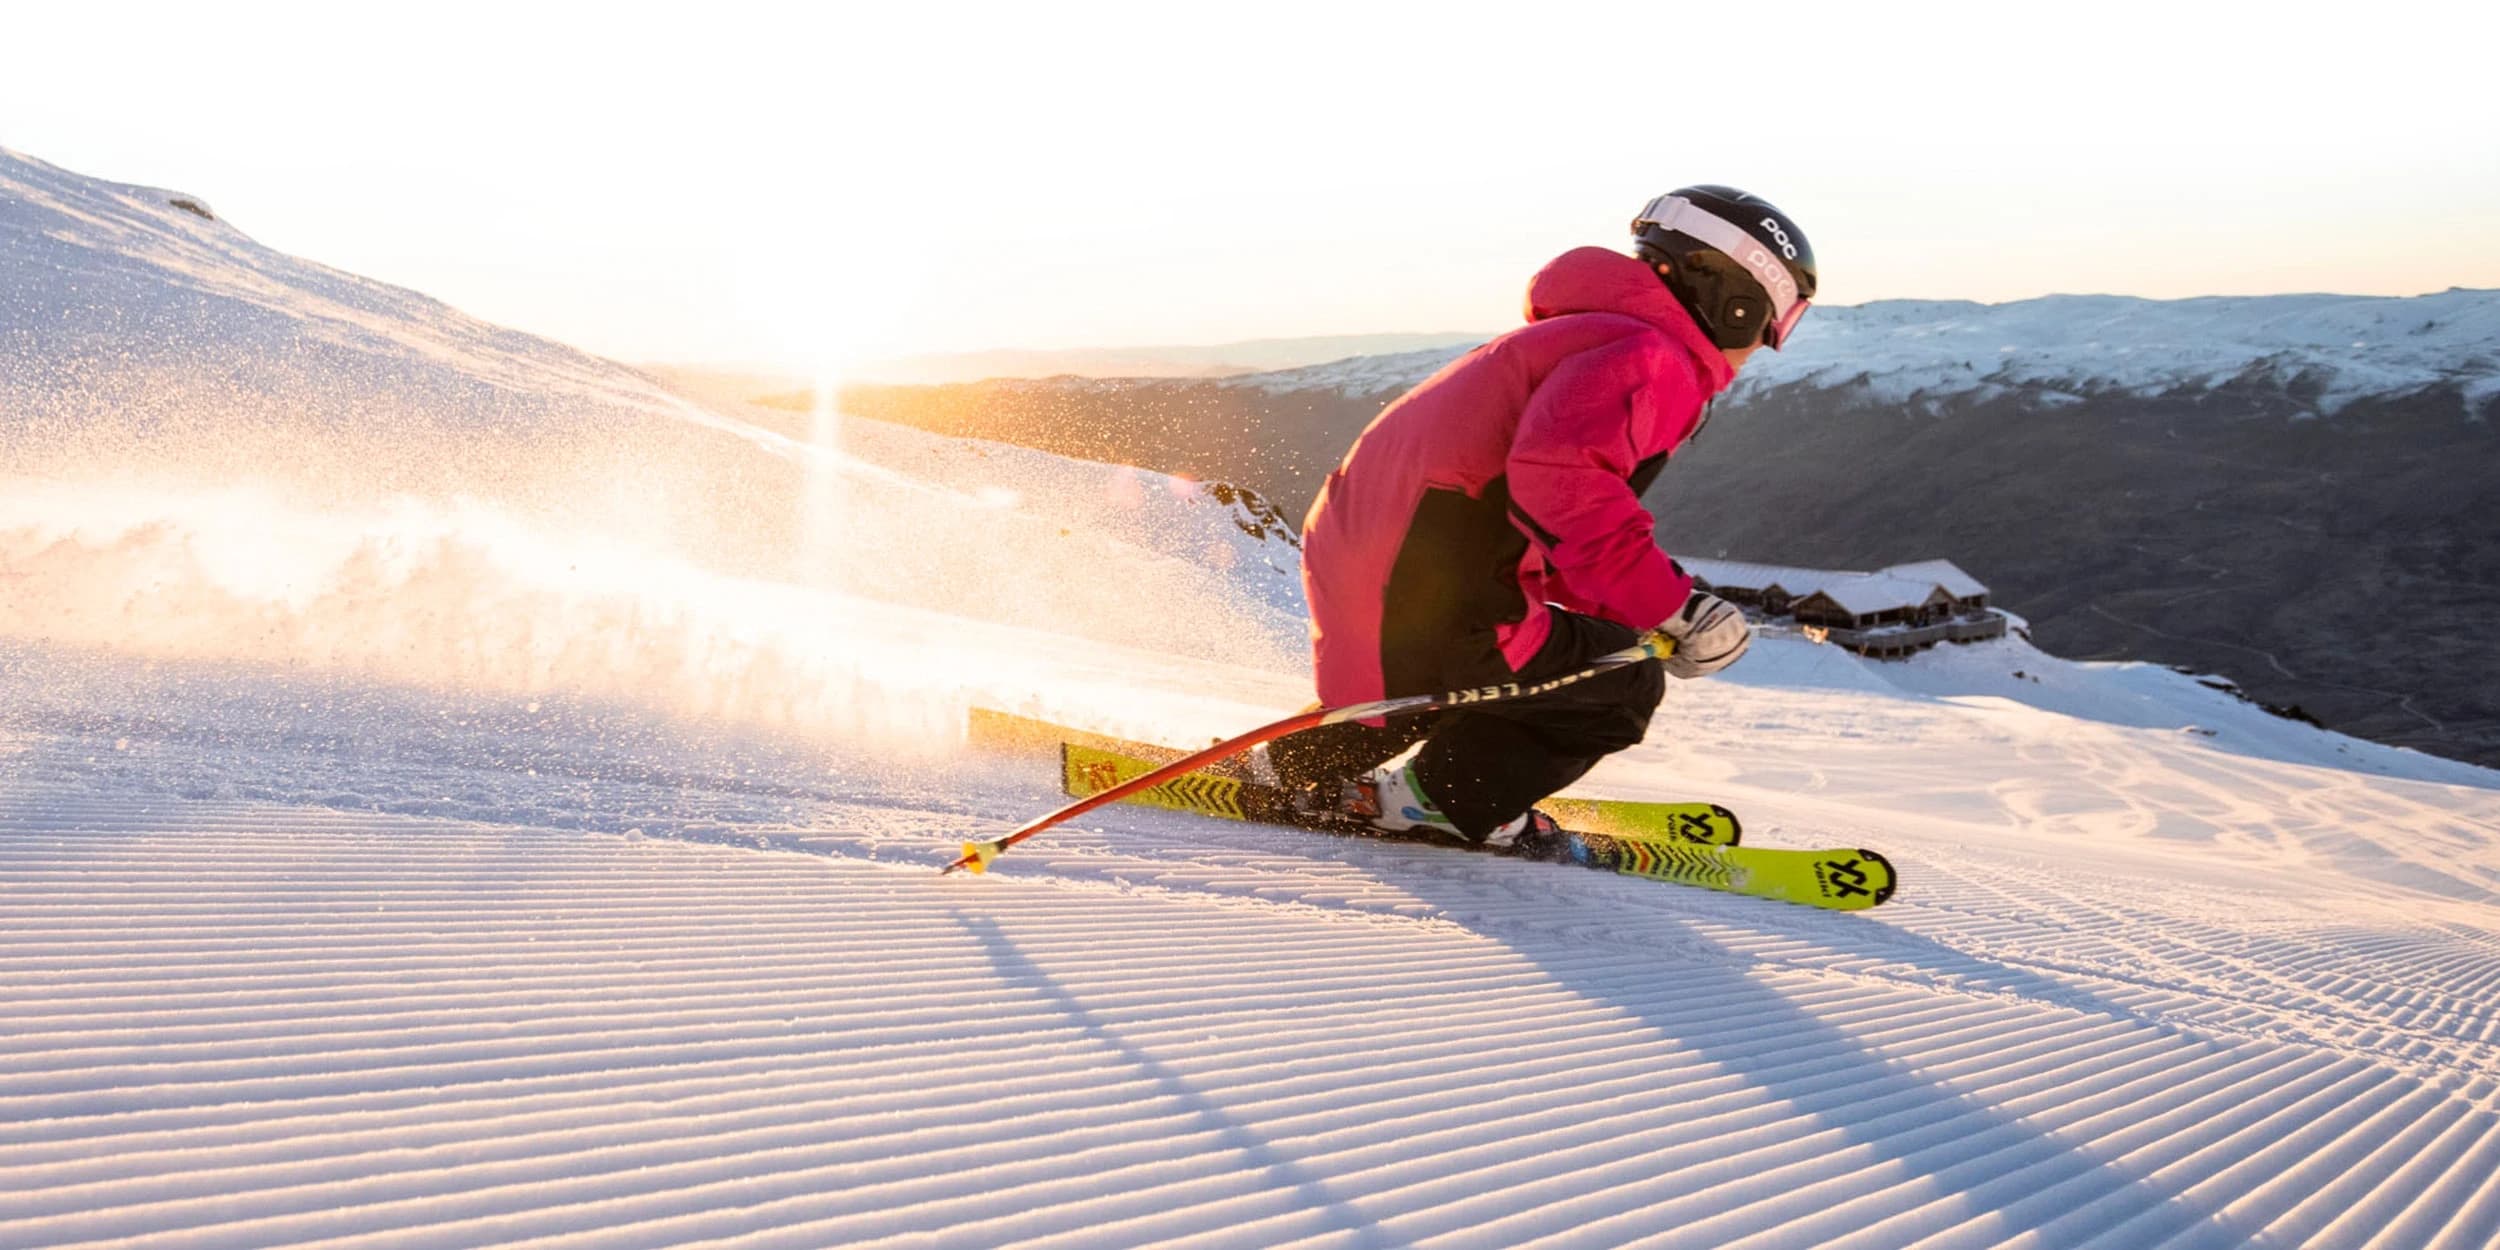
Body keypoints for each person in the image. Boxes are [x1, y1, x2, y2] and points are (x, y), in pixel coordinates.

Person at [1265, 185, 1819, 845]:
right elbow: (1563, 483)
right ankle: (1437, 803)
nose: (1768, 344)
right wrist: (1675, 607)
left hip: (1387, 551)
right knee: (1620, 688)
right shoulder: (1652, 358)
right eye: (1779, 321)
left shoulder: (1590, 334)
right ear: (1736, 299)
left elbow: (1533, 513)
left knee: (1421, 694)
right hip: (1434, 565)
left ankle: (1289, 769)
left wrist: (1626, 610)